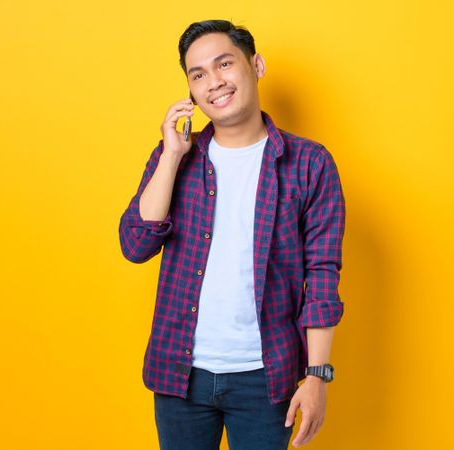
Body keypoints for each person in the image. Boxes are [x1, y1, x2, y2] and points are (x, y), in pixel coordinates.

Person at [119, 19, 346, 450]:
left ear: (255, 65)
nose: (214, 82)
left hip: (266, 380)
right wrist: (171, 155)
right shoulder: (175, 158)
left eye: (224, 64)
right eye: (198, 74)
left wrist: (318, 376)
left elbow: (321, 274)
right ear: (190, 90)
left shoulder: (310, 163)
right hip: (178, 375)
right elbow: (135, 245)